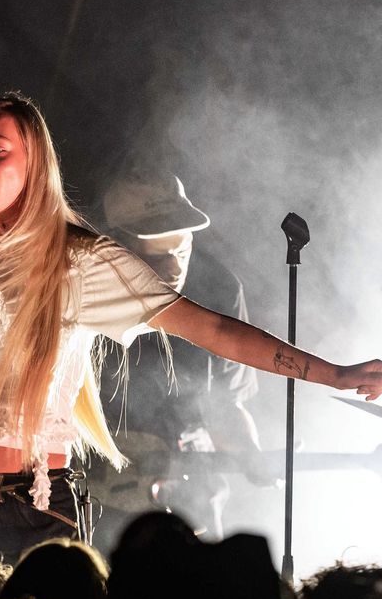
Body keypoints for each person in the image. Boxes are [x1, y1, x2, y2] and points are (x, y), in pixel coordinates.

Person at [0, 93, 382, 565]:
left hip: (35, 505)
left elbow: (210, 329)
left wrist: (334, 373)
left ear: (33, 162)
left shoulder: (80, 261)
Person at [93, 173, 261, 541]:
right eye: (157, 254)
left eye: (181, 249)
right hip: (96, 495)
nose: (174, 266)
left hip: (191, 493)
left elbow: (226, 402)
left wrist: (250, 454)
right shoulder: (87, 287)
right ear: (116, 248)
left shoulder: (219, 287)